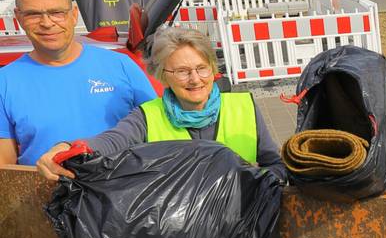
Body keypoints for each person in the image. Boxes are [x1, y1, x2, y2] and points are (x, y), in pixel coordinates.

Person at [36, 27, 286, 182]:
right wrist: (66, 147)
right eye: (182, 71)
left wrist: (251, 185)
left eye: (202, 68)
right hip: (176, 236)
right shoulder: (147, 116)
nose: (195, 79)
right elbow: (110, 141)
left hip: (239, 228)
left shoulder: (244, 106)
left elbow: (274, 165)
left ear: (213, 69)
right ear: (163, 75)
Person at [0, 0, 156, 167]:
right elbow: (6, 169)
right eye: (33, 14)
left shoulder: (121, 66)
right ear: (19, 18)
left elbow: (157, 130)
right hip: (48, 195)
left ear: (74, 14)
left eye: (56, 12)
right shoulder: (5, 83)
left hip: (121, 192)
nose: (47, 23)